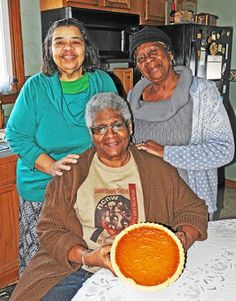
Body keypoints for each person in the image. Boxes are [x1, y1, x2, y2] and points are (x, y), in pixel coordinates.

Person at [10, 92, 208, 301]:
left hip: (146, 264)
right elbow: (50, 229)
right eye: (100, 129)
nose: (110, 135)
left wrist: (183, 239)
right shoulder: (71, 174)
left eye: (117, 125)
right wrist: (87, 256)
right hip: (80, 267)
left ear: (130, 127)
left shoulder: (156, 168)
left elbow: (194, 209)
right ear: (91, 134)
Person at [6, 18, 117, 275]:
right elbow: (16, 135)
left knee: (86, 255)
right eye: (60, 42)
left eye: (75, 42)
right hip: (41, 189)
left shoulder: (102, 82)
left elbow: (114, 130)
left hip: (89, 187)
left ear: (85, 48)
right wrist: (52, 166)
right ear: (50, 49)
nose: (68, 49)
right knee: (41, 262)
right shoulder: (35, 87)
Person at [128, 26, 235, 220]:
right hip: (145, 201)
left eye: (153, 52)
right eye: (141, 58)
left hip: (190, 201)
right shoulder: (132, 99)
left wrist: (166, 152)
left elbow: (224, 150)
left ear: (169, 55)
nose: (148, 60)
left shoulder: (203, 93)